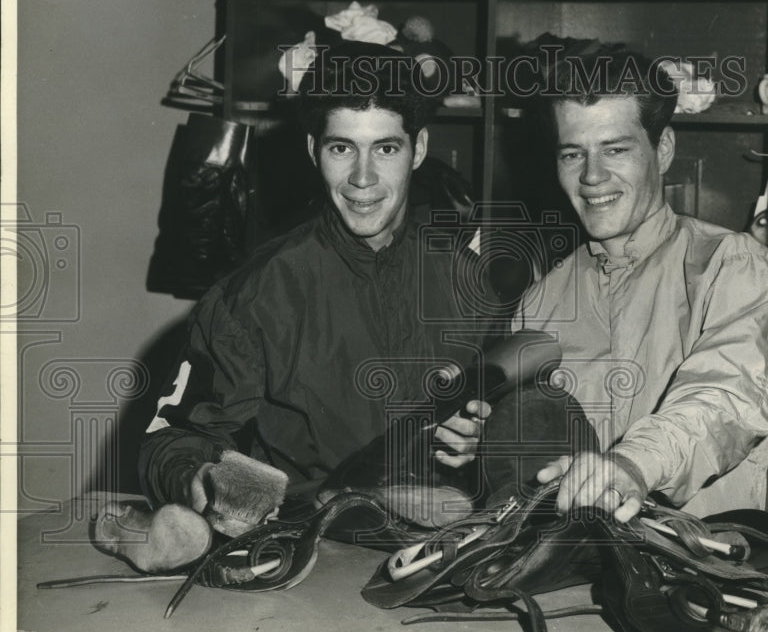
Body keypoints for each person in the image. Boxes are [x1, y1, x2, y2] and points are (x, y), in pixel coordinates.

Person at [115, 51, 498, 572]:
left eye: (385, 147)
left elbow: (517, 435)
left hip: (446, 554)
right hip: (311, 554)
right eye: (343, 148)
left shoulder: (471, 281)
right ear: (313, 149)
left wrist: (484, 442)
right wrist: (200, 478)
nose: (363, 177)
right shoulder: (255, 295)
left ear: (419, 149)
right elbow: (171, 438)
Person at [517, 49, 768, 522]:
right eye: (572, 154)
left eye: (616, 149)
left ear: (662, 149)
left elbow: (726, 396)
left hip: (693, 572)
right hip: (563, 576)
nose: (592, 176)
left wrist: (633, 465)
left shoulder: (734, 267)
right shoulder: (540, 301)